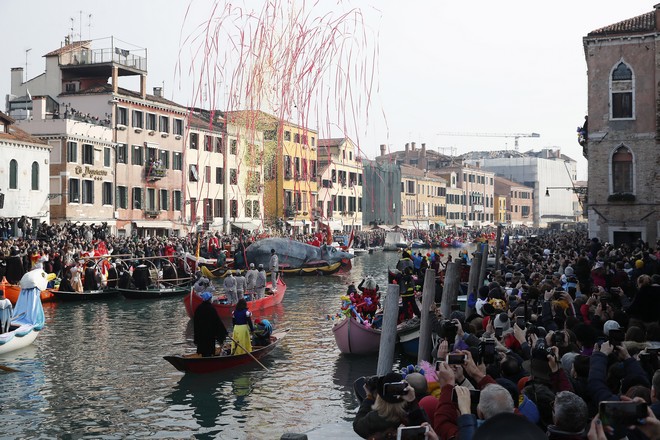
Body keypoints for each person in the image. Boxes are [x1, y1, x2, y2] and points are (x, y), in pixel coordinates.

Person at [353, 371, 428, 439]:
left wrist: (369, 397)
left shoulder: (373, 418)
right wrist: (412, 401)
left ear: (380, 397)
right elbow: (425, 429)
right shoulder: (412, 416)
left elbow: (357, 426)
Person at [193, 292, 228, 357]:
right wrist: (224, 332)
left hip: (201, 334)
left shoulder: (198, 308)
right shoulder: (211, 309)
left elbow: (195, 323)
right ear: (209, 299)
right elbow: (217, 322)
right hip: (209, 335)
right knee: (209, 350)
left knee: (204, 351)